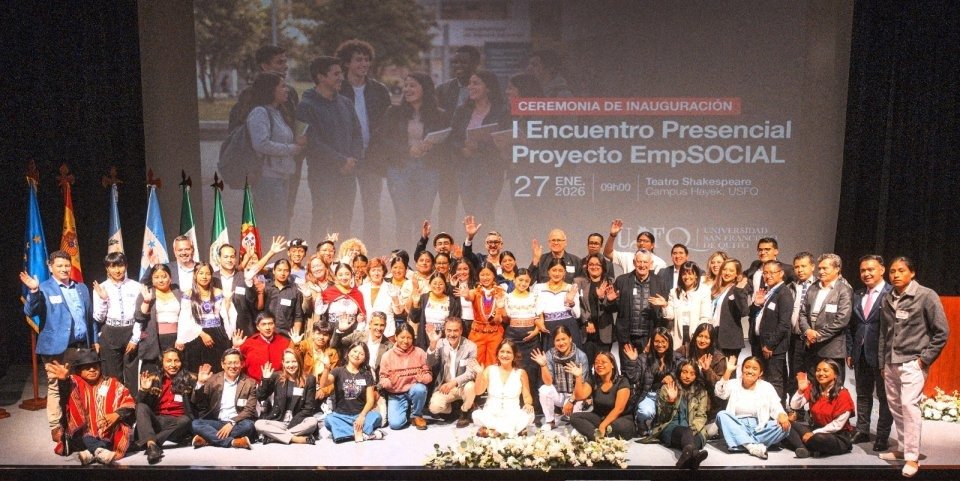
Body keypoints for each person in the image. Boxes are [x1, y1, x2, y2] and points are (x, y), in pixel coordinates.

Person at [878, 257, 950, 478]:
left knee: (909, 406)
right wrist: (882, 362)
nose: (895, 275)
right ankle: (902, 448)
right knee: (896, 407)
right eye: (892, 271)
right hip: (891, 362)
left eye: (901, 271)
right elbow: (884, 333)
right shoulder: (888, 297)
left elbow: (941, 332)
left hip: (912, 361)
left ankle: (912, 457)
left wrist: (924, 359)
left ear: (912, 273)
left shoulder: (926, 295)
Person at [21, 250, 95, 438]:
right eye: (59, 266)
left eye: (67, 265)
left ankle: (78, 421)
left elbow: (89, 316)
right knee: (55, 386)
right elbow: (31, 311)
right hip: (55, 347)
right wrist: (33, 290)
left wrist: (93, 341)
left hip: (81, 346)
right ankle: (56, 425)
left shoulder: (82, 288)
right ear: (51, 267)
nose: (64, 269)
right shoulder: (44, 288)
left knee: (79, 385)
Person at [376, 72, 448, 247]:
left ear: (425, 89)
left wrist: (431, 146)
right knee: (403, 216)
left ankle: (421, 256)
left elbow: (445, 141)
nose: (407, 89)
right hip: (400, 168)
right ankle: (404, 257)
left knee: (423, 217)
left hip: (428, 168)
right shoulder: (394, 112)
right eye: (406, 86)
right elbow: (383, 140)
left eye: (412, 85)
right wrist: (408, 149)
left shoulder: (439, 114)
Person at [296, 55, 362, 240]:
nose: (341, 77)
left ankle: (342, 263)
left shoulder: (346, 103)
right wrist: (341, 160)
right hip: (322, 174)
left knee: (344, 222)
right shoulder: (305, 106)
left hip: (348, 172)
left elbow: (357, 134)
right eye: (336, 74)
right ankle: (318, 263)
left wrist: (353, 160)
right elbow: (310, 141)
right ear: (321, 77)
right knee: (321, 219)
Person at [335, 40, 392, 250]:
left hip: (372, 158)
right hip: (347, 158)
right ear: (347, 63)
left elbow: (388, 123)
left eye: (367, 60)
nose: (364, 64)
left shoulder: (379, 90)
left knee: (372, 209)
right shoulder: (338, 89)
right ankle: (342, 253)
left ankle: (372, 252)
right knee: (343, 209)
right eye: (359, 59)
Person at [45, 350, 135, 465]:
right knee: (82, 437)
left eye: (95, 366)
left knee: (118, 431)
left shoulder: (112, 383)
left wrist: (116, 414)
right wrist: (63, 381)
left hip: (107, 431)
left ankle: (90, 453)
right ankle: (99, 450)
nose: (92, 370)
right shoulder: (73, 382)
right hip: (81, 432)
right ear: (79, 371)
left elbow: (129, 401)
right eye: (87, 367)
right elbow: (64, 399)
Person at [245, 72, 306, 239]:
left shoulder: (277, 112)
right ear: (271, 89)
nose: (286, 90)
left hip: (281, 177)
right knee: (271, 228)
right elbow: (261, 144)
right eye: (282, 86)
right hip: (267, 178)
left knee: (279, 226)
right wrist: (291, 149)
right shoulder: (260, 113)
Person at [845, 254, 893, 451]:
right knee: (863, 394)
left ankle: (882, 435)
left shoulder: (891, 293)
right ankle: (862, 430)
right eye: (863, 270)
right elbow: (852, 326)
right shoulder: (858, 294)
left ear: (882, 270)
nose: (866, 273)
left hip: (882, 355)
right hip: (860, 352)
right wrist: (850, 351)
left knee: (884, 397)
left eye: (870, 269)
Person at [448, 70, 507, 226]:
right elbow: (452, 137)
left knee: (484, 211)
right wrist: (462, 148)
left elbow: (506, 137)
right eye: (470, 84)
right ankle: (474, 248)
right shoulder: (463, 110)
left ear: (488, 87)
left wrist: (481, 144)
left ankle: (489, 248)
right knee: (471, 214)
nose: (470, 87)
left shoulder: (502, 111)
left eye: (476, 83)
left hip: (491, 167)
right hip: (466, 167)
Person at [436, 45, 482, 230]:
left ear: (475, 63)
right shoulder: (443, 89)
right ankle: (444, 248)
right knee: (447, 206)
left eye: (463, 62)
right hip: (448, 157)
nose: (458, 66)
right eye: (455, 62)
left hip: (474, 158)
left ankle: (475, 249)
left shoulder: (484, 88)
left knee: (474, 208)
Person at [715, 355, 791, 460]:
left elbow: (776, 406)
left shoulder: (766, 386)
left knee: (784, 427)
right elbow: (720, 393)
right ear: (742, 370)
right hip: (737, 425)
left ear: (760, 373)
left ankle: (741, 442)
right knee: (721, 415)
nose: (750, 371)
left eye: (755, 369)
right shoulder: (734, 383)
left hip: (759, 427)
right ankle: (752, 447)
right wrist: (728, 371)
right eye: (747, 367)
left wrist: (781, 415)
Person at [638, 360, 710, 470]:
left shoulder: (701, 392)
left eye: (692, 373)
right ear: (679, 372)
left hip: (695, 428)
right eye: (684, 372)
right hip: (671, 427)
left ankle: (690, 454)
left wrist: (693, 430)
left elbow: (701, 416)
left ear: (696, 375)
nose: (687, 376)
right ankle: (694, 455)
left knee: (692, 436)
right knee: (686, 433)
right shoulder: (667, 388)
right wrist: (670, 401)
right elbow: (662, 417)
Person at [604, 249, 669, 367]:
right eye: (639, 262)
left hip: (649, 337)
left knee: (648, 371)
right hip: (627, 337)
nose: (642, 265)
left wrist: (655, 337)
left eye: (645, 262)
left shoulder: (659, 282)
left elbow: (663, 312)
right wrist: (610, 300)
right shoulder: (622, 280)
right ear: (634, 263)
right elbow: (612, 309)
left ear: (651, 264)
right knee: (628, 370)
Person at [798, 253, 853, 385]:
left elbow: (842, 320)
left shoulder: (844, 290)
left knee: (833, 387)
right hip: (811, 346)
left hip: (832, 348)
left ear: (837, 269)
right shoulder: (813, 288)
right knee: (813, 385)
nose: (821, 272)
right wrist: (808, 332)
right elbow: (802, 313)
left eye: (825, 268)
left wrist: (818, 336)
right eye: (820, 268)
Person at [783, 359, 855, 458]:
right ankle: (804, 449)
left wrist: (813, 433)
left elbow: (837, 426)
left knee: (818, 439)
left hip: (836, 435)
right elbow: (795, 405)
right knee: (785, 424)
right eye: (818, 370)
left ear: (835, 375)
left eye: (825, 370)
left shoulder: (843, 394)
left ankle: (800, 445)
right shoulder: (814, 388)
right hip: (816, 429)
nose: (821, 373)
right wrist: (800, 390)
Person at [91, 252, 141, 392]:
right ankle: (115, 409)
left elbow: (140, 316)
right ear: (107, 269)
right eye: (112, 267)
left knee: (132, 375)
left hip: (131, 332)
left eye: (120, 265)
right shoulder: (101, 287)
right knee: (113, 375)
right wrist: (103, 298)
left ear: (126, 266)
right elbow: (99, 318)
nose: (117, 270)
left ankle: (133, 409)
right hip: (111, 332)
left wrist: (135, 339)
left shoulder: (136, 286)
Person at [134, 348, 194, 464]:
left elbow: (198, 404)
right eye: (169, 361)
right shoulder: (153, 378)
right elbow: (139, 407)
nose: (173, 365)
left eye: (176, 361)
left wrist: (200, 384)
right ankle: (152, 445)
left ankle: (150, 443)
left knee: (185, 420)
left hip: (177, 424)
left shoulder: (189, 378)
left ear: (181, 362)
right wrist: (143, 390)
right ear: (162, 362)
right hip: (157, 420)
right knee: (141, 406)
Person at [190, 348, 257, 449]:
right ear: (223, 365)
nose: (233, 366)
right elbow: (197, 401)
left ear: (242, 364)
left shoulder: (250, 383)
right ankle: (233, 442)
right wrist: (200, 384)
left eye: (236, 363)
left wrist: (232, 422)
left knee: (249, 426)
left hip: (237, 423)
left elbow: (249, 410)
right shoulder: (213, 380)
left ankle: (208, 439)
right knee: (196, 423)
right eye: (229, 363)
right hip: (217, 422)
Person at [319, 341, 386, 443]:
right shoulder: (338, 371)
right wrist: (326, 368)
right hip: (341, 415)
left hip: (360, 414)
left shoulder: (367, 374)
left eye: (361, 354)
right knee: (329, 420)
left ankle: (343, 434)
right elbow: (323, 384)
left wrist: (362, 416)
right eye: (355, 351)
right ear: (348, 353)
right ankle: (364, 434)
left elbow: (370, 400)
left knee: (376, 417)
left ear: (365, 358)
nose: (357, 355)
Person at [747, 259, 795, 402]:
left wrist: (770, 345)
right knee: (763, 378)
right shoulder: (768, 291)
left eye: (772, 273)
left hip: (773, 347)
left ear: (781, 273)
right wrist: (756, 304)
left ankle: (777, 412)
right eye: (765, 273)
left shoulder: (784, 293)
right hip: (760, 343)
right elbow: (754, 314)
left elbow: (784, 324)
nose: (767, 276)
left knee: (775, 380)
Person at [624, 327, 683, 435]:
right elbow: (633, 378)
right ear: (652, 342)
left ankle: (658, 424)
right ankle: (642, 423)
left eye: (663, 341)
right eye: (657, 341)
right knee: (645, 412)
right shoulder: (644, 358)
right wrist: (632, 361)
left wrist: (672, 376)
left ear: (669, 342)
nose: (660, 344)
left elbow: (684, 372)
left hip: (667, 395)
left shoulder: (677, 358)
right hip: (649, 395)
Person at [470, 340, 535, 437]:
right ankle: (511, 431)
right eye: (502, 351)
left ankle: (493, 431)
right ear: (497, 353)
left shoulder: (521, 373)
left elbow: (527, 396)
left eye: (508, 352)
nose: (505, 355)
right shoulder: (490, 370)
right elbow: (478, 391)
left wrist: (528, 404)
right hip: (491, 413)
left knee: (529, 414)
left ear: (514, 355)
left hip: (512, 414)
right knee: (476, 414)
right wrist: (479, 374)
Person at [532, 325, 590, 430]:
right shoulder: (550, 354)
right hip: (560, 393)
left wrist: (571, 401)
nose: (561, 343)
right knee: (544, 389)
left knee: (576, 424)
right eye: (557, 340)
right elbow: (548, 382)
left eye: (564, 339)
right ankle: (550, 421)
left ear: (570, 338)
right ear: (554, 342)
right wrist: (543, 365)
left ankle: (575, 421)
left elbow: (583, 385)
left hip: (576, 395)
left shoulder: (581, 356)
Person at [254, 348, 318, 444]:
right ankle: (295, 438)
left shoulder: (309, 379)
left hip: (298, 422)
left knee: (312, 421)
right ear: (283, 363)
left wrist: (291, 424)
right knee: (259, 424)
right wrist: (266, 379)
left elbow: (308, 408)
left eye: (294, 361)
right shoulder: (277, 377)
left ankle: (275, 437)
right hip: (279, 421)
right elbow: (261, 396)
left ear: (299, 362)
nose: (291, 365)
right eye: (287, 362)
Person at [569, 351, 636, 441]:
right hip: (600, 417)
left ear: (612, 365)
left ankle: (593, 434)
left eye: (603, 362)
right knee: (574, 417)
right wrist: (578, 377)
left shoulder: (622, 381)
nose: (599, 365)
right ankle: (599, 438)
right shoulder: (593, 380)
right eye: (596, 362)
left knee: (615, 427)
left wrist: (603, 425)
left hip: (620, 418)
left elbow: (619, 409)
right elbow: (579, 396)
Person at [177, 262, 230, 374]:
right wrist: (201, 334)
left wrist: (230, 336)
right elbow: (185, 318)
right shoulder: (189, 294)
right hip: (196, 334)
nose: (204, 277)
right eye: (201, 273)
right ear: (195, 275)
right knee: (197, 370)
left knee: (217, 370)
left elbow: (226, 316)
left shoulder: (218, 292)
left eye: (208, 273)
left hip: (217, 335)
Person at [426, 317, 478, 427]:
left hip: (463, 385)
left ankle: (464, 411)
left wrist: (453, 382)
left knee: (471, 387)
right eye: (449, 330)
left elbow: (471, 373)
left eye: (455, 330)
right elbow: (430, 364)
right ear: (445, 331)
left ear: (461, 331)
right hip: (445, 386)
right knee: (434, 408)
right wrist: (432, 344)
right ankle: (453, 409)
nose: (452, 334)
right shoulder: (440, 343)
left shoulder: (471, 346)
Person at [378, 324, 432, 430]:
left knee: (420, 389)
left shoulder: (420, 352)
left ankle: (417, 415)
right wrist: (390, 382)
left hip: (413, 391)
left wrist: (423, 379)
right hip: (396, 394)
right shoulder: (387, 356)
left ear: (413, 338)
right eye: (402, 337)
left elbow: (429, 375)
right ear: (396, 337)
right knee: (395, 425)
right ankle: (407, 412)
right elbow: (382, 379)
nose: (406, 341)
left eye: (409, 338)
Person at [502, 268, 546, 392]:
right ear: (514, 280)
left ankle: (532, 403)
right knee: (513, 367)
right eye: (520, 280)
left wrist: (535, 332)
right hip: (512, 336)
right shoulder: (507, 297)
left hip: (532, 337)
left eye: (526, 281)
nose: (523, 283)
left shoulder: (534, 296)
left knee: (532, 368)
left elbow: (541, 319)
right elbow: (505, 319)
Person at [135, 264, 183, 374]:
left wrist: (182, 338)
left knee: (176, 372)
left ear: (170, 278)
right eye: (156, 277)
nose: (161, 280)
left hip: (176, 339)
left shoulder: (178, 292)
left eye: (164, 276)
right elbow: (139, 317)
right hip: (154, 340)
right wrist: (147, 301)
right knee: (155, 375)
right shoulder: (146, 293)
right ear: (151, 279)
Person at [659, 261, 712, 348]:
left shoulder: (704, 291)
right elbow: (670, 316)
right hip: (678, 334)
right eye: (684, 274)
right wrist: (665, 305)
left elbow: (705, 316)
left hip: (697, 332)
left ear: (696, 275)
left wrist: (700, 335)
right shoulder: (674, 291)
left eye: (690, 274)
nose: (687, 277)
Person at [535, 257, 583, 349]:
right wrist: (538, 321)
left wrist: (571, 302)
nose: (557, 273)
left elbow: (577, 315)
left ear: (565, 272)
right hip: (549, 328)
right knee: (550, 360)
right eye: (554, 270)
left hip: (569, 327)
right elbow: (536, 311)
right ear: (548, 271)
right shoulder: (539, 288)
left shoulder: (571, 288)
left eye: (560, 270)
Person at [576, 253, 615, 364]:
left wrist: (603, 298)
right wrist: (587, 321)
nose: (594, 267)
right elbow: (577, 305)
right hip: (586, 332)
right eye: (591, 264)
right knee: (585, 365)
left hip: (604, 331)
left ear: (603, 267)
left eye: (598, 264)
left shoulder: (610, 282)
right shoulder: (579, 282)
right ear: (586, 267)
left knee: (603, 364)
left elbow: (613, 308)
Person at [465, 263, 507, 364]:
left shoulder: (501, 292)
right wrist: (465, 294)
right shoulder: (474, 292)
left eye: (488, 274)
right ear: (478, 276)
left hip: (495, 333)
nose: (485, 278)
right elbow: (468, 297)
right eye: (482, 275)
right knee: (476, 361)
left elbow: (505, 317)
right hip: (477, 333)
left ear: (494, 275)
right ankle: (477, 380)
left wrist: (500, 311)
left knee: (493, 361)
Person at [234, 312, 292, 382]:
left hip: (278, 384)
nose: (267, 328)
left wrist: (296, 345)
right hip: (253, 385)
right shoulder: (248, 343)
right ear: (258, 327)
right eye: (263, 324)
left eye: (270, 324)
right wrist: (236, 348)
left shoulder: (285, 342)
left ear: (274, 325)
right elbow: (237, 364)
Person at [214, 244, 258, 337]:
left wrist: (250, 284)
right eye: (226, 257)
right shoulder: (213, 278)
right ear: (219, 258)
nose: (229, 260)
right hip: (219, 330)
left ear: (236, 259)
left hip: (243, 328)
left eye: (232, 257)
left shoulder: (244, 276)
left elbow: (252, 301)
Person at [413, 272, 463, 351]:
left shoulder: (451, 301)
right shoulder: (424, 298)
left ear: (445, 286)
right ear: (430, 284)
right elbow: (414, 319)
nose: (437, 286)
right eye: (434, 283)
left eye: (440, 284)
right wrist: (415, 304)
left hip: (444, 339)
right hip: (425, 338)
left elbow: (456, 321)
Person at [712, 258, 749, 359]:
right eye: (724, 269)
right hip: (714, 335)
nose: (727, 273)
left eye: (731, 270)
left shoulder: (738, 289)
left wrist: (739, 290)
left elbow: (744, 311)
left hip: (729, 340)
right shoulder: (716, 289)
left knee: (728, 372)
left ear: (737, 273)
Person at [603, 219, 667, 275]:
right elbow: (608, 253)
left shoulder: (660, 263)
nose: (642, 243)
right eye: (639, 241)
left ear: (652, 245)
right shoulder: (627, 257)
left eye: (645, 241)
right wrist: (612, 235)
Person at [358, 257, 401, 339]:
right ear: (369, 272)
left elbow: (398, 312)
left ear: (383, 272)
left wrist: (395, 298)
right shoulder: (362, 289)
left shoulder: (393, 288)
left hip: (387, 333)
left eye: (379, 270)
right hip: (366, 332)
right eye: (373, 270)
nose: (376, 273)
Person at [261, 259, 304, 337]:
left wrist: (295, 335)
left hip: (285, 335)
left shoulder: (295, 291)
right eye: (279, 270)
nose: (282, 273)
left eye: (286, 270)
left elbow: (298, 316)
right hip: (265, 334)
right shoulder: (266, 288)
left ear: (290, 272)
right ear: (273, 271)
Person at [319, 262, 366, 335]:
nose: (344, 277)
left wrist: (360, 318)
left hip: (352, 331)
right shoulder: (328, 293)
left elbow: (362, 315)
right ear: (336, 277)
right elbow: (321, 315)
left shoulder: (357, 294)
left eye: (347, 274)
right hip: (331, 331)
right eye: (340, 275)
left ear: (351, 275)